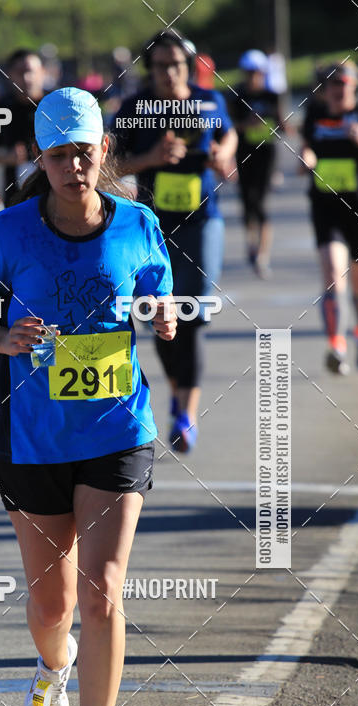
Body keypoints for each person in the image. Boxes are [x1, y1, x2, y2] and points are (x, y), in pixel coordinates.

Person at [0, 87, 177, 706]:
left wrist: (162, 313)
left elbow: (155, 291)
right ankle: (54, 664)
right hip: (33, 434)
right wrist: (4, 338)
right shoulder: (9, 231)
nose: (74, 166)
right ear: (40, 159)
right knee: (53, 606)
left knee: (102, 590)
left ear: (103, 150)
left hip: (117, 427)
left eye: (84, 153)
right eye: (59, 155)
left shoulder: (138, 222)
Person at [113, 30, 237, 452]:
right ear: (150, 69)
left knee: (193, 313)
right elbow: (110, 164)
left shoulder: (209, 101)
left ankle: (187, 414)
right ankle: (177, 393)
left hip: (202, 221)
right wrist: (150, 159)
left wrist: (223, 153)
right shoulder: (134, 109)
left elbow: (228, 135)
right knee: (159, 317)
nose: (171, 72)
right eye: (162, 65)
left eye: (178, 64)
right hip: (151, 227)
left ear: (189, 66)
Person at [300, 61, 358, 374]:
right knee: (332, 272)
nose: (338, 89)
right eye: (332, 84)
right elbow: (308, 147)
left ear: (355, 85)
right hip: (326, 207)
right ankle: (336, 345)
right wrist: (306, 157)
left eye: (343, 83)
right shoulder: (315, 113)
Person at [231, 50, 281, 279]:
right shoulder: (236, 95)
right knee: (247, 203)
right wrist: (246, 124)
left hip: (266, 155)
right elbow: (228, 126)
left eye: (257, 72)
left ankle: (263, 255)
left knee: (261, 204)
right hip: (243, 154)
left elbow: (281, 123)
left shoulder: (272, 96)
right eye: (249, 72)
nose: (253, 77)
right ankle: (251, 242)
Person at [0, 49, 46, 207]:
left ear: (42, 72)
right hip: (17, 199)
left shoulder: (56, 104)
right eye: (20, 73)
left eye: (30, 71)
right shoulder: (2, 108)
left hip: (56, 197)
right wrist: (6, 158)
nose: (27, 78)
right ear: (10, 75)